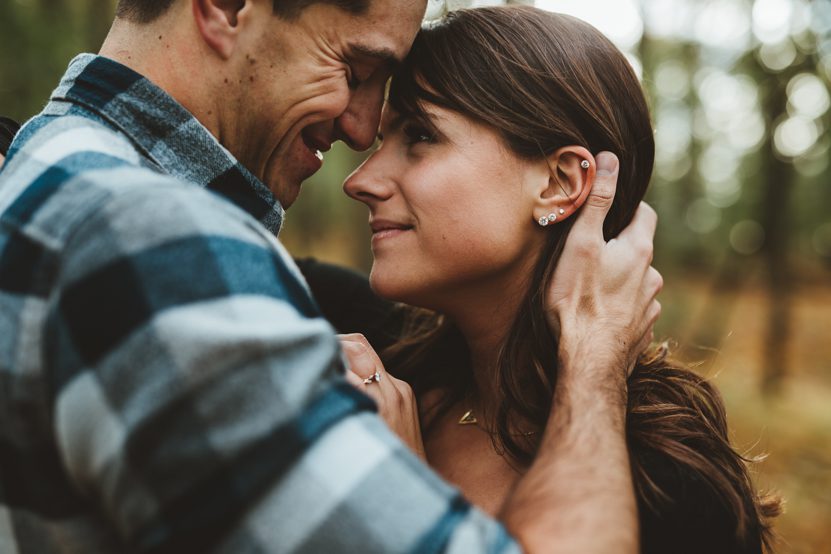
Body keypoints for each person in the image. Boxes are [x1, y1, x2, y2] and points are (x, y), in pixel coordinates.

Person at [0, 1, 659, 552]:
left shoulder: (48, 170)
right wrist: (595, 355)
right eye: (356, 67)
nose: (360, 129)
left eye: (418, 134)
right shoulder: (157, 248)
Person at [339, 6, 780, 554]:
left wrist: (397, 500)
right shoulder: (370, 358)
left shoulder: (667, 483)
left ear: (559, 183)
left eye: (420, 135)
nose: (361, 181)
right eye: (383, 140)